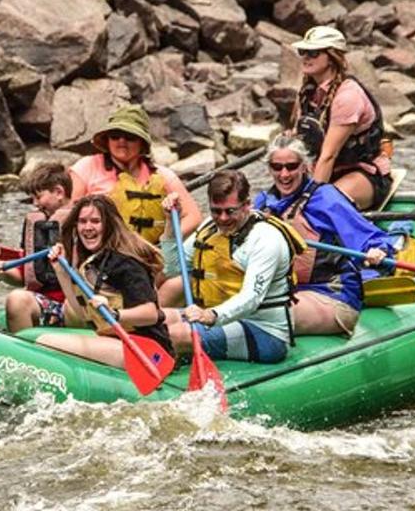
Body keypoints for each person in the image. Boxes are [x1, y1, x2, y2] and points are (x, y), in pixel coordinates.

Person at [157, 170, 304, 364]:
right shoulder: (210, 227)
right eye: (216, 211)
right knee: (154, 320)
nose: (223, 218)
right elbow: (173, 267)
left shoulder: (266, 239)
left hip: (264, 332)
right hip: (219, 318)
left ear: (247, 205)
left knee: (173, 334)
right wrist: (169, 223)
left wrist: (210, 314)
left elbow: (251, 298)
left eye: (230, 211)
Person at [253, 136, 394, 336]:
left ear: (305, 167)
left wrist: (378, 250)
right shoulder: (263, 204)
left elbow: (371, 238)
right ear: (269, 169)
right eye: (277, 167)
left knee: (264, 313)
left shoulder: (325, 199)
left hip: (330, 293)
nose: (284, 174)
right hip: (285, 291)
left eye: (292, 166)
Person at [35, 194, 173, 368]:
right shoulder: (94, 261)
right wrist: (61, 272)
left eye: (95, 221)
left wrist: (115, 314)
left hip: (147, 350)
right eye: (82, 221)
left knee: (45, 341)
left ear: (108, 225)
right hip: (116, 340)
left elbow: (150, 314)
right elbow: (82, 313)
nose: (88, 227)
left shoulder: (126, 263)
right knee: (43, 340)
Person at [287, 25, 393, 210]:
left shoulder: (347, 96)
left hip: (363, 173)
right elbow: (299, 141)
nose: (305, 57)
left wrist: (307, 200)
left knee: (319, 208)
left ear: (332, 56)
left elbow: (328, 155)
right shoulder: (306, 93)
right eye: (303, 51)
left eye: (314, 53)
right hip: (324, 170)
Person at [68, 104, 201, 243]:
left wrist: (166, 242)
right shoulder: (85, 167)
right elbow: (69, 213)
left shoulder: (162, 175)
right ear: (107, 140)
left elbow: (193, 216)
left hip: (150, 255)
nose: (121, 141)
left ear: (142, 142)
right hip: (99, 252)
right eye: (115, 136)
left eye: (130, 137)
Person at [0, 162, 73, 333]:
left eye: (38, 197)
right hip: (43, 301)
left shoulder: (84, 222)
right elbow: (24, 275)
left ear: (59, 192)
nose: (35, 204)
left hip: (74, 306)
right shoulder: (34, 225)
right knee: (16, 299)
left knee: (18, 299)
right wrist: (1, 270)